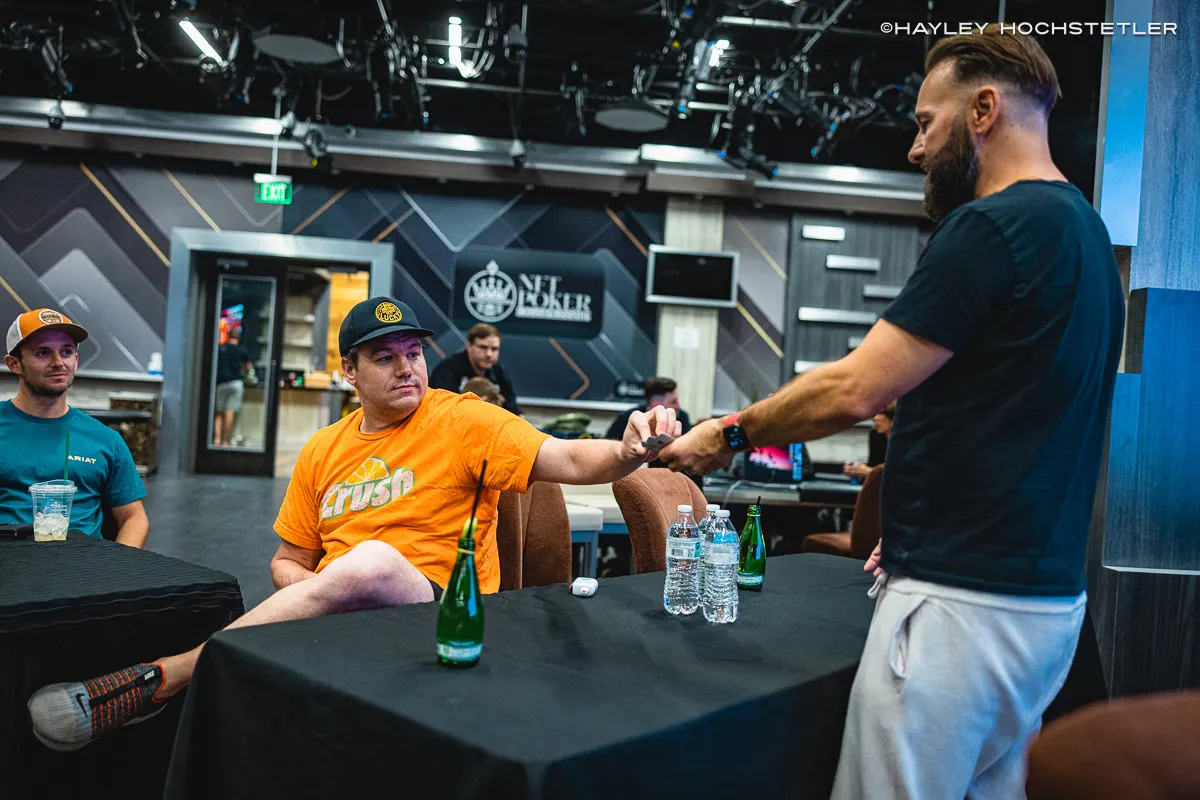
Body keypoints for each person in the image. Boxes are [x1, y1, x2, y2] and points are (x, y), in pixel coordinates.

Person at [660, 26, 1123, 800]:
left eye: (925, 122)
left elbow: (855, 389)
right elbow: (1017, 418)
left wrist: (727, 433)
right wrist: (920, 522)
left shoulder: (990, 227)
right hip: (1043, 607)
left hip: (959, 611)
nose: (914, 148)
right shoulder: (1086, 235)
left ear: (983, 110)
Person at [27, 297, 679, 751]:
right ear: (349, 372)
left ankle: (164, 677)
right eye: (385, 357)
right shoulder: (323, 449)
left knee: (369, 562)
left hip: (439, 607)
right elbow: (288, 560)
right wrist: (324, 589)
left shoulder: (464, 420)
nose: (407, 367)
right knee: (343, 579)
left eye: (414, 353)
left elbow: (569, 459)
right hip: (348, 610)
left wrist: (628, 451)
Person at [1, 309, 148, 547]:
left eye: (66, 352)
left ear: (76, 360)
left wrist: (118, 565)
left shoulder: (105, 439)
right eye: (43, 353)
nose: (58, 362)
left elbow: (134, 518)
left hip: (85, 566)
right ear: (14, 364)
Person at [429, 322, 521, 415]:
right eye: (483, 347)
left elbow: (512, 405)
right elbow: (444, 407)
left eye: (494, 349)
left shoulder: (498, 370)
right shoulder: (447, 369)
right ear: (469, 346)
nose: (489, 354)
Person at [604, 376, 692, 443]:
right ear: (656, 405)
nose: (679, 406)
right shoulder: (627, 418)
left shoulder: (682, 417)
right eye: (673, 402)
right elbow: (608, 446)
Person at [212, 331, 252, 446]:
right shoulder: (242, 350)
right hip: (236, 383)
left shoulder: (221, 349)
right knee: (230, 411)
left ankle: (217, 439)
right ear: (238, 338)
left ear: (228, 336)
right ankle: (225, 441)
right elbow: (248, 367)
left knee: (219, 412)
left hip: (221, 383)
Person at [843, 401, 895, 481]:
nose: (875, 418)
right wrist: (856, 470)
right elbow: (873, 466)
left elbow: (903, 476)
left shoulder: (907, 441)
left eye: (880, 414)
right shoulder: (876, 435)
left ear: (893, 419)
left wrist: (871, 472)